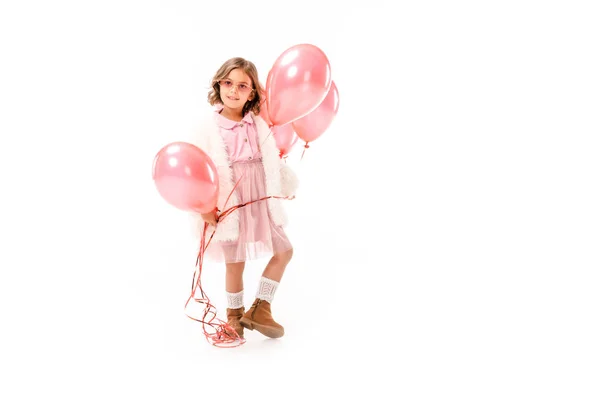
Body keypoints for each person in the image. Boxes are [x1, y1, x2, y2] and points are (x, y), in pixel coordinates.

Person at [189, 57, 299, 339]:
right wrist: (204, 207)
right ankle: (235, 316)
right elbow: (199, 170)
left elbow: (272, 158)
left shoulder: (258, 123)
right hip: (232, 200)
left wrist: (284, 183)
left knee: (284, 250)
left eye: (242, 86)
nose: (233, 91)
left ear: (252, 92)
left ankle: (261, 307)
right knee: (235, 262)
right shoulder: (209, 127)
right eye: (228, 83)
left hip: (260, 198)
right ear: (218, 83)